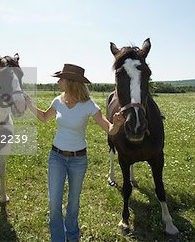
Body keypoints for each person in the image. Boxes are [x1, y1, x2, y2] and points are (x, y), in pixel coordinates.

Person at [25, 64, 125, 242]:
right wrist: (29, 104)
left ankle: (72, 236)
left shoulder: (89, 105)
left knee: (73, 203)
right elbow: (43, 117)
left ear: (70, 82)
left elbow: (109, 129)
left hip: (78, 160)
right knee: (54, 203)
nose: (58, 82)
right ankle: (58, 239)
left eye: (61, 79)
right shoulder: (58, 101)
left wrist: (116, 124)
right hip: (56, 157)